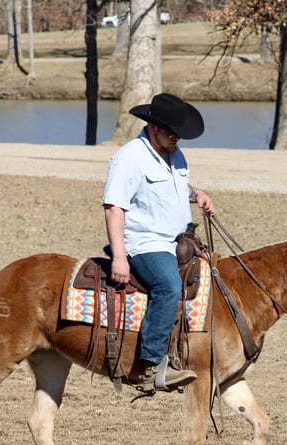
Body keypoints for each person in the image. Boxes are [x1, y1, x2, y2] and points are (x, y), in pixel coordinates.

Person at [102, 93, 215, 392]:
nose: (176, 136)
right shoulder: (129, 158)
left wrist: (196, 194)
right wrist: (119, 257)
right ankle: (149, 366)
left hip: (176, 239)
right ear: (152, 127)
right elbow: (114, 207)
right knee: (168, 286)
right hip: (145, 243)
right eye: (170, 131)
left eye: (179, 132)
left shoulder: (174, 152)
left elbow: (174, 184)